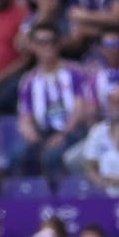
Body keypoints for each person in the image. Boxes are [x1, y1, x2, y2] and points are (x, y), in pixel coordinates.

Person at [16, 23, 96, 177]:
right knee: (18, 155)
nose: (47, 46)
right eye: (41, 42)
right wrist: (33, 136)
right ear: (33, 46)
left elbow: (81, 109)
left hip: (74, 132)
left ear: (59, 44)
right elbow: (25, 117)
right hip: (43, 133)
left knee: (53, 157)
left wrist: (64, 134)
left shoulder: (75, 72)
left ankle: (56, 199)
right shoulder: (28, 80)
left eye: (52, 41)